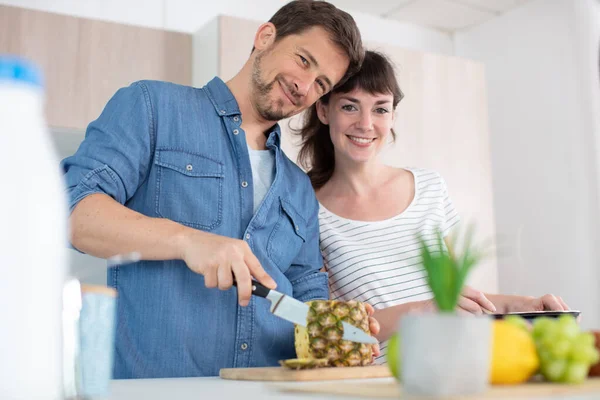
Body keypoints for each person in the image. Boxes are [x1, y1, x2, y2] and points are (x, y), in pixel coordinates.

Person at [61, 1, 376, 378]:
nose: (305, 86)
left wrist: (339, 332)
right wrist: (186, 240)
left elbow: (307, 293)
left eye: (322, 83)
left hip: (267, 388)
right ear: (265, 37)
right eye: (304, 60)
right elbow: (71, 213)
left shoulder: (298, 187)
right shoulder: (153, 107)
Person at [296, 50, 571, 363]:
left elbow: (455, 300)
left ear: (393, 116)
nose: (366, 123)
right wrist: (422, 310)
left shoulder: (429, 188)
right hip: (374, 384)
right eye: (349, 106)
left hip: (450, 372)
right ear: (323, 110)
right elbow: (321, 330)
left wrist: (525, 305)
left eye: (381, 109)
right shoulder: (304, 208)